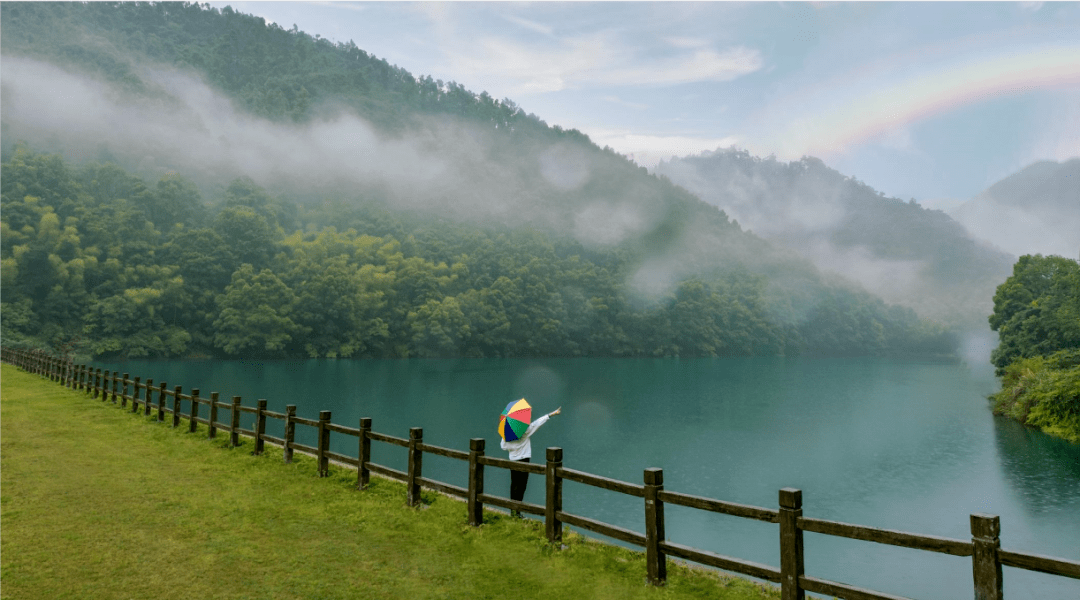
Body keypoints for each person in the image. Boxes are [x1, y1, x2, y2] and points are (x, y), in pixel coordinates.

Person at [501, 405, 561, 516]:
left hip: (512, 460)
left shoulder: (506, 434)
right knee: (522, 486)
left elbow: (503, 447)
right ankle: (517, 511)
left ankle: (513, 511)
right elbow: (536, 424)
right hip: (524, 460)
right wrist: (550, 414)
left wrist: (513, 447)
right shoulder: (525, 431)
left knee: (514, 484)